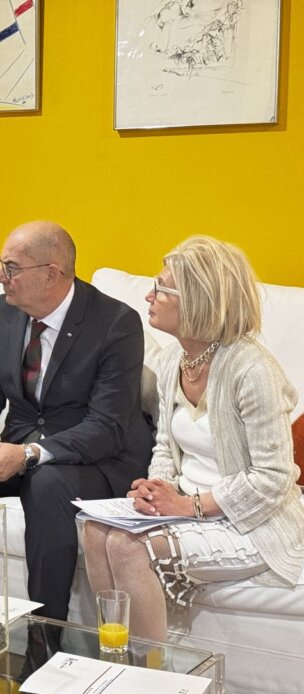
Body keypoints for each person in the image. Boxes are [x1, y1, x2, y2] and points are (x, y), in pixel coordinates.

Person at [0, 221, 154, 674]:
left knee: (46, 483)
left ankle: (45, 646)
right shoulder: (5, 313)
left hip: (101, 459)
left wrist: (26, 455)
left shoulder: (115, 323)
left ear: (51, 273)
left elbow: (106, 426)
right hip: (26, 451)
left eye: (11, 268)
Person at [82, 236, 303, 663]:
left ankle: (150, 684)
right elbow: (166, 445)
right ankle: (117, 664)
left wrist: (187, 506)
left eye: (161, 288)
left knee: (127, 546)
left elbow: (274, 478)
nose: (149, 296)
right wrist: (156, 488)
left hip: (252, 522)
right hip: (186, 506)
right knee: (94, 530)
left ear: (198, 300)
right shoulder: (173, 362)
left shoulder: (252, 369)